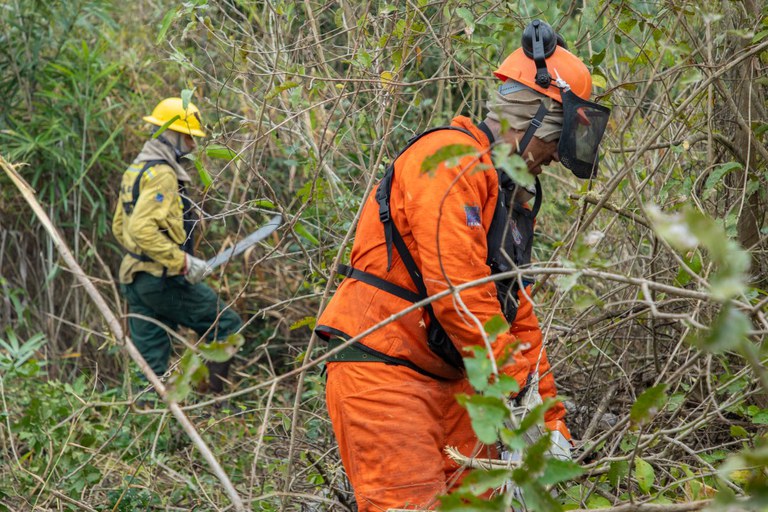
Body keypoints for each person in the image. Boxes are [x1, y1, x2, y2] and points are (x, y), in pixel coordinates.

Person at [315, 20, 610, 511]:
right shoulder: (449, 161)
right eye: (553, 144)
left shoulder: (502, 191)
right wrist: (516, 386)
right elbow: (459, 291)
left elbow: (514, 309)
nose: (553, 160)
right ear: (532, 119)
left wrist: (549, 417)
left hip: (453, 378)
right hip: (385, 372)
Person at [112, 97, 242, 395]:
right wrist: (180, 261)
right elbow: (141, 228)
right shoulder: (162, 175)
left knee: (149, 367)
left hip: (136, 279)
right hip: (162, 280)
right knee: (226, 326)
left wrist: (147, 258)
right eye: (189, 137)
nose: (193, 145)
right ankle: (212, 405)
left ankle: (146, 413)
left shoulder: (137, 170)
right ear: (170, 134)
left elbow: (120, 226)